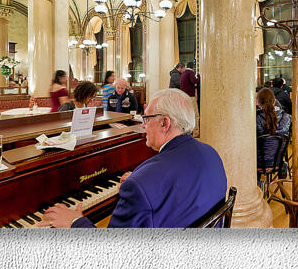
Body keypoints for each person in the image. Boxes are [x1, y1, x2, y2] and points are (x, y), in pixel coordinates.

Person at [39, 89, 227, 228]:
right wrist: (145, 186)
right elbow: (180, 188)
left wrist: (75, 222)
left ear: (164, 123)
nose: (144, 126)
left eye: (147, 118)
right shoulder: (211, 153)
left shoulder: (141, 184)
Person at [256, 87, 291, 170]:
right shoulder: (287, 118)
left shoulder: (256, 119)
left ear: (257, 103)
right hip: (278, 162)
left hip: (258, 163)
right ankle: (284, 166)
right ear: (275, 101)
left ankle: (258, 181)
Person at [180, 61, 200, 134]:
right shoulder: (190, 72)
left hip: (184, 96)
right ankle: (196, 132)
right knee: (195, 114)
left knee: (187, 115)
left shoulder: (183, 73)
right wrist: (199, 77)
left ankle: (187, 132)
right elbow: (194, 81)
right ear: (193, 67)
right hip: (190, 96)